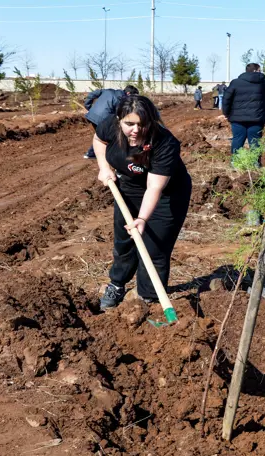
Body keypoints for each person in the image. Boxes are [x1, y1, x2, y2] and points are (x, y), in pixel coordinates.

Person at [93, 96, 193, 310]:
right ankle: (117, 284)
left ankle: (148, 299)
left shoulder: (165, 142)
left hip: (168, 194)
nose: (136, 130)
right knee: (124, 242)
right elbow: (99, 140)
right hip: (128, 188)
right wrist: (104, 166)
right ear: (119, 119)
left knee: (154, 248)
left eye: (142, 124)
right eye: (129, 124)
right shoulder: (110, 125)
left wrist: (142, 218)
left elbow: (154, 187)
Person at [222, 63, 265, 159]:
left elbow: (226, 99)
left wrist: (226, 113)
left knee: (237, 139)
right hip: (257, 117)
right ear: (256, 70)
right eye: (259, 70)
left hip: (237, 117)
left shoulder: (235, 82)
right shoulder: (263, 82)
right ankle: (255, 162)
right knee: (255, 140)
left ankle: (235, 161)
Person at [83, 85, 139, 159]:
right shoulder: (122, 99)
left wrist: (88, 106)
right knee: (111, 134)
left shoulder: (108, 91)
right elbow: (119, 114)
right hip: (102, 119)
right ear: (128, 93)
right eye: (133, 96)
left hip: (91, 116)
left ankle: (92, 152)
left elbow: (93, 94)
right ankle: (93, 153)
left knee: (101, 134)